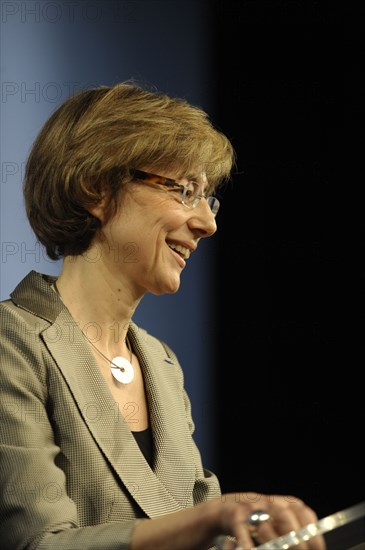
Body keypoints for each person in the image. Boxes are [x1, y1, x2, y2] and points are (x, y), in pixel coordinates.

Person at [0, 81, 325, 550]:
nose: (208, 223)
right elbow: (37, 543)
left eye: (208, 198)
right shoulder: (14, 341)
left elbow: (202, 528)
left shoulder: (161, 363)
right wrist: (209, 518)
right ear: (96, 187)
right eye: (186, 191)